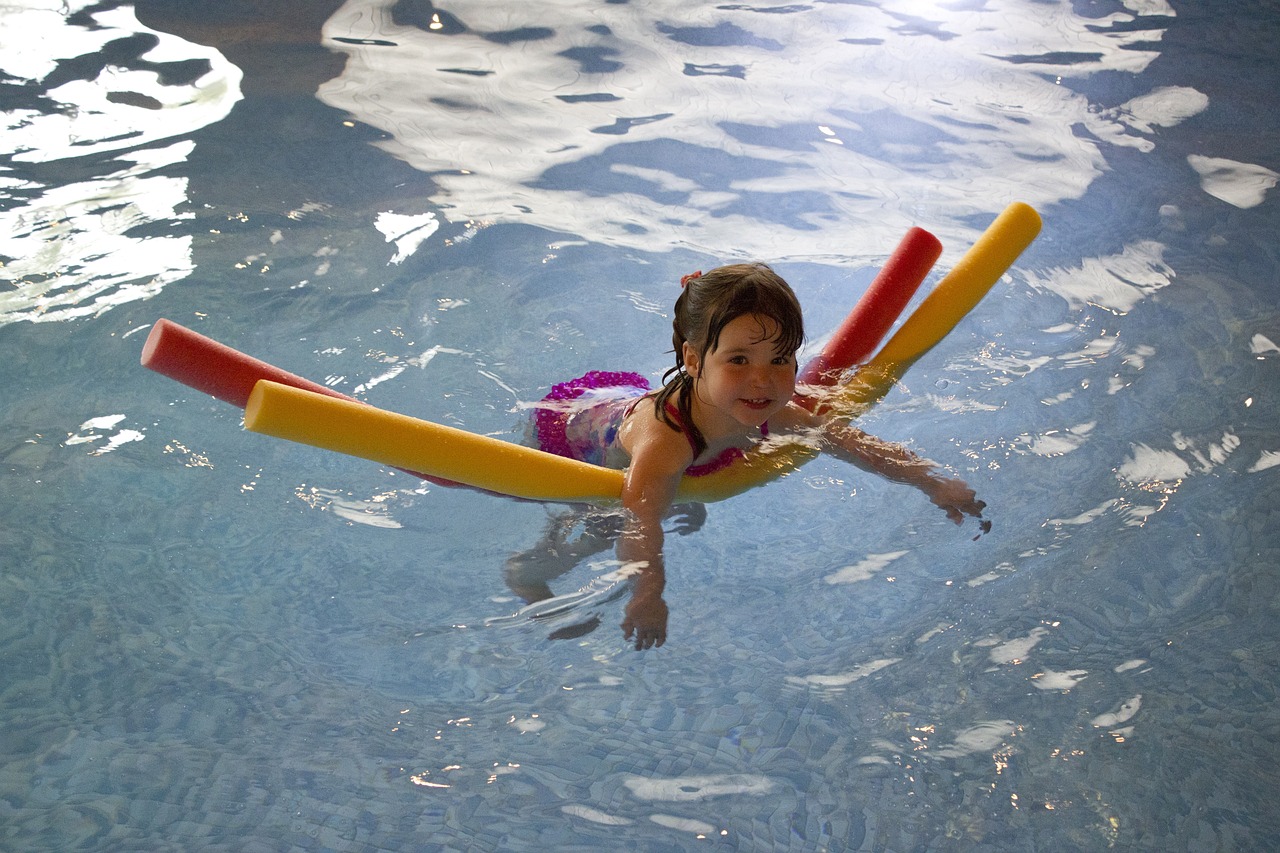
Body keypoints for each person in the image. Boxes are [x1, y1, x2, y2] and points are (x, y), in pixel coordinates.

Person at [529, 262, 987, 649]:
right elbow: (640, 522)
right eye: (740, 361)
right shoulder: (665, 441)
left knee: (670, 494)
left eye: (780, 359)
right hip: (579, 437)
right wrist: (648, 593)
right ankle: (526, 575)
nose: (763, 381)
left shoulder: (766, 407)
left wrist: (933, 482)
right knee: (599, 530)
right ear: (692, 360)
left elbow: (847, 441)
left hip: (634, 409)